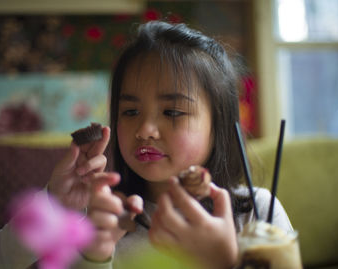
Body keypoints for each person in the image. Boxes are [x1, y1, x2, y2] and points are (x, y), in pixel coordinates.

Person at [48, 21, 293, 269]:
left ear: (219, 125)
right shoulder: (102, 220)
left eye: (173, 112)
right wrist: (95, 257)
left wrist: (224, 263)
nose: (145, 130)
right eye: (130, 111)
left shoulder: (257, 213)